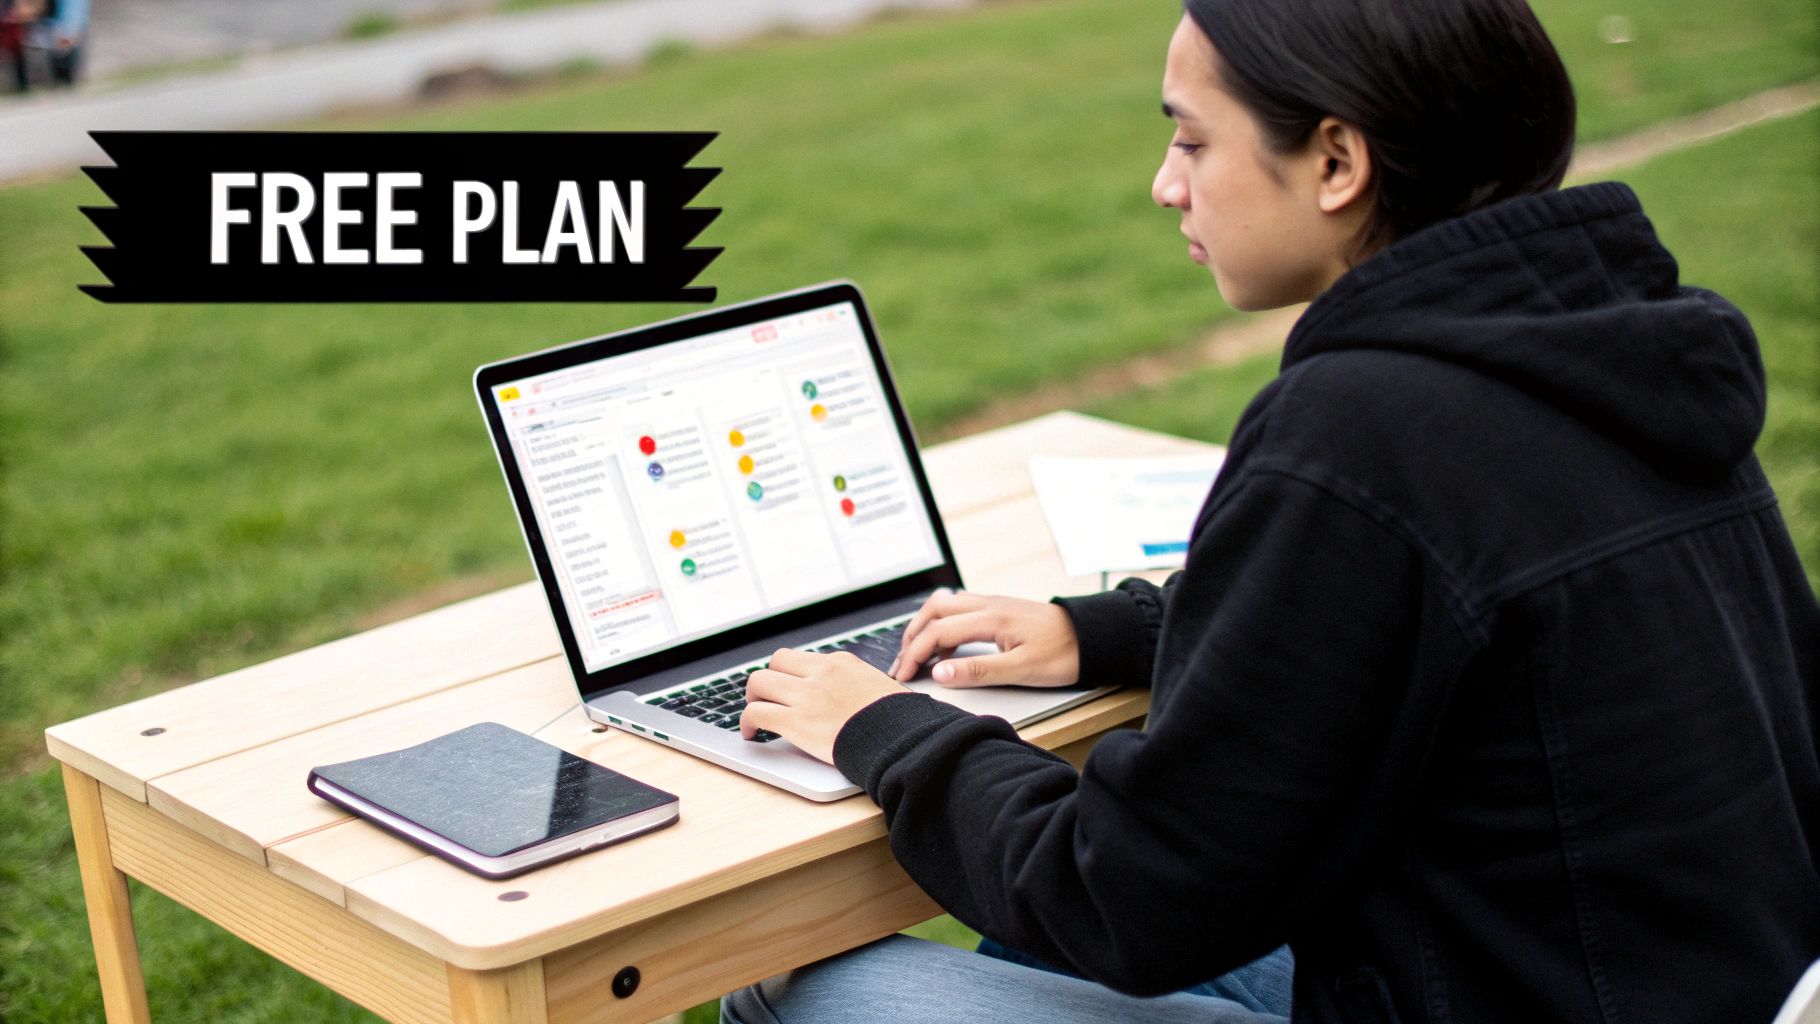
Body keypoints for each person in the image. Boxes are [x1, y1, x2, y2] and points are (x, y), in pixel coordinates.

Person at [722, 0, 1820, 1021]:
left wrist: (882, 729)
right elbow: (1418, 600)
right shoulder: (1616, 343)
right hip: (1688, 976)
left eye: (1192, 141)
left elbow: (1128, 897)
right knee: (1025, 945)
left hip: (1506, 988)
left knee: (798, 990)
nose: (1164, 185)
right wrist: (1098, 631)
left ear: (1336, 161)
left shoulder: (1356, 427)